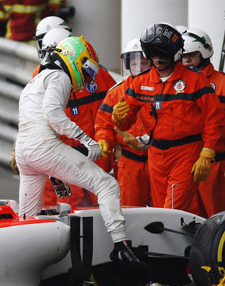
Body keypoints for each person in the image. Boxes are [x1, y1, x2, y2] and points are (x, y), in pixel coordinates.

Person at [15, 35, 142, 267]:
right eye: (85, 72)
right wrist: (86, 140)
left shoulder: (36, 80)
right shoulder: (59, 76)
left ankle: (27, 266)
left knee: (28, 219)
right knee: (107, 184)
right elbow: (52, 113)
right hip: (44, 147)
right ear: (76, 60)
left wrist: (54, 173)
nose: (84, 81)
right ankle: (120, 245)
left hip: (24, 152)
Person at [112, 23, 225, 216]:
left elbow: (214, 118)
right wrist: (119, 117)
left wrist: (207, 153)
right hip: (155, 155)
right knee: (159, 210)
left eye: (163, 53)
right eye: (154, 53)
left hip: (186, 153)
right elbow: (126, 122)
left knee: (171, 210)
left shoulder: (195, 80)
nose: (158, 58)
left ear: (174, 53)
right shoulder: (141, 82)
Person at [180, 27, 225, 216]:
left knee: (218, 217)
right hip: (182, 164)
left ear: (204, 54)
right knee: (182, 218)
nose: (186, 60)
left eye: (191, 55)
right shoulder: (176, 85)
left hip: (216, 167)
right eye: (183, 56)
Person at [94, 38, 153, 208]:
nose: (139, 68)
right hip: (129, 162)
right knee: (130, 209)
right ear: (127, 65)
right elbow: (103, 124)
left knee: (163, 209)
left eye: (144, 63)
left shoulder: (160, 89)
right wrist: (104, 140)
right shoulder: (116, 92)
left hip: (157, 158)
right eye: (135, 63)